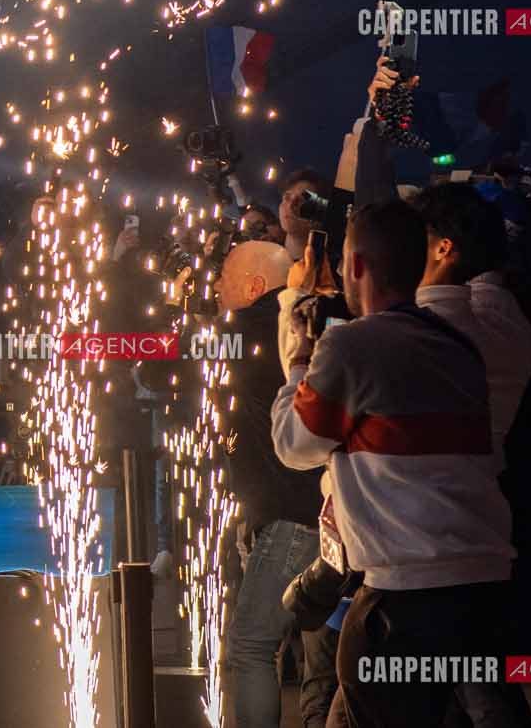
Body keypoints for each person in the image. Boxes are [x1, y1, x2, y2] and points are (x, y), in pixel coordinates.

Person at [270, 199, 513, 728]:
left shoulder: (353, 344)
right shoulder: (459, 346)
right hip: (480, 587)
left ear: (356, 265)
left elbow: (294, 443)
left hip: (404, 596)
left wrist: (297, 362)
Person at [215, 241, 325, 728]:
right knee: (322, 658)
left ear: (256, 287)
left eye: (224, 276)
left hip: (290, 516)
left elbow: (163, 363)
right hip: (315, 510)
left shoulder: (246, 328)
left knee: (252, 645)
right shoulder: (308, 324)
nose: (215, 288)